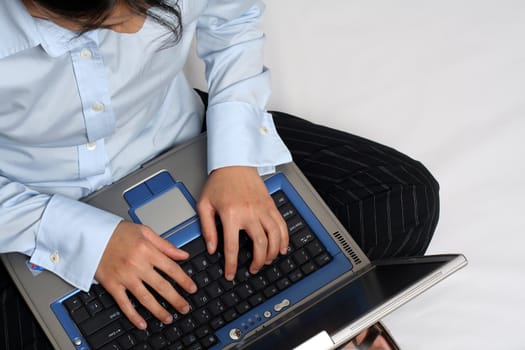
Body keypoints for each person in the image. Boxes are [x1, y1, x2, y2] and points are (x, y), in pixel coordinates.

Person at [0, 0, 439, 349]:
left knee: (402, 195)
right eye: (106, 21)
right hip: (32, 197)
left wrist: (236, 160)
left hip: (179, 135)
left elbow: (233, 24)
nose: (138, 29)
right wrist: (84, 240)